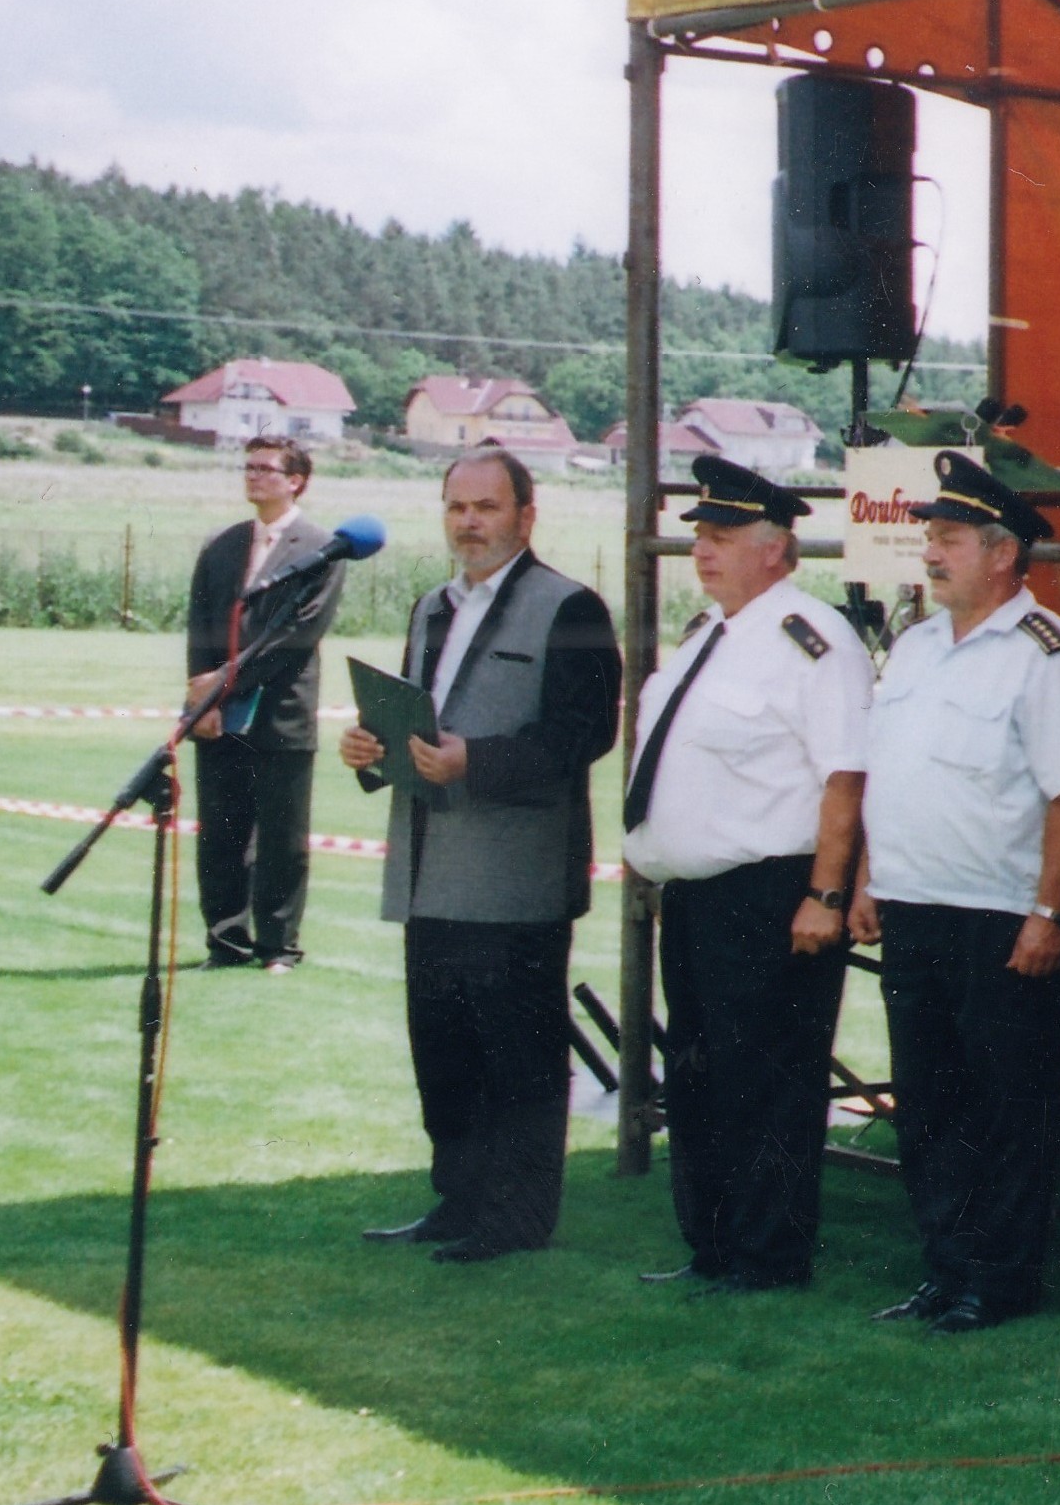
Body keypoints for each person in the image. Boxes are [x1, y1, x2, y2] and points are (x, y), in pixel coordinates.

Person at [341, 448, 621, 1262]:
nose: (469, 523)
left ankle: (516, 1219)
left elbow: (582, 735)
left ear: (526, 516)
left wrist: (478, 762)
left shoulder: (570, 607)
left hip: (515, 879)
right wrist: (371, 750)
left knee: (518, 1057)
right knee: (444, 1054)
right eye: (456, 507)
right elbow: (416, 721)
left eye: (487, 507)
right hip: (428, 872)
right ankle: (458, 1200)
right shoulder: (430, 607)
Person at [851, 453, 1060, 1334]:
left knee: (1005, 1107)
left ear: (1002, 553)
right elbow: (889, 771)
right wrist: (868, 878)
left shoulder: (1045, 653)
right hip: (912, 904)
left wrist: (1048, 914)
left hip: (999, 917)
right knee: (928, 1104)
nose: (929, 552)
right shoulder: (917, 645)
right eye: (930, 537)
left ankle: (998, 1280)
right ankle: (944, 1267)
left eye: (948, 538)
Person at [621, 455, 872, 1297]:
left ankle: (767, 1257)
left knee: (765, 1081)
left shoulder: (812, 640)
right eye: (701, 535)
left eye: (723, 537)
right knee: (698, 1077)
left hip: (772, 894)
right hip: (698, 899)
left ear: (774, 549)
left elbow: (845, 776)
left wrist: (826, 894)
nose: (703, 550)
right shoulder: (709, 633)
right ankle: (713, 1246)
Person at [184, 434, 341, 972]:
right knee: (221, 833)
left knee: (282, 838)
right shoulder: (223, 544)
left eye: (266, 468)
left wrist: (223, 682)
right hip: (219, 716)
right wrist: (202, 700)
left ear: (295, 480)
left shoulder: (323, 548)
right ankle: (225, 943)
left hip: (282, 712)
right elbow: (201, 626)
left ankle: (278, 947)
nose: (253, 476)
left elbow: (297, 635)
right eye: (248, 467)